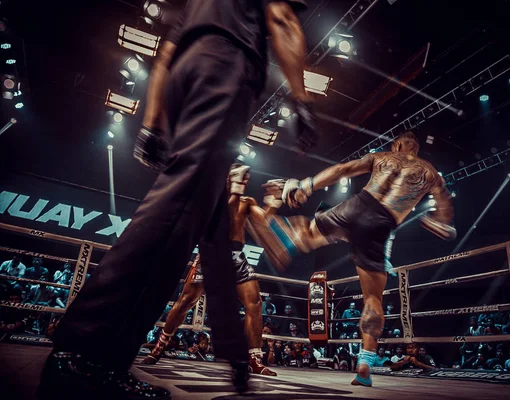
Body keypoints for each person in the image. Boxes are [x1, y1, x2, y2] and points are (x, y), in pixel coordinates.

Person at [39, 1, 314, 398]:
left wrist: (152, 121)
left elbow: (168, 50)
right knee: (177, 205)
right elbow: (282, 18)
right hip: (226, 65)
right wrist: (301, 100)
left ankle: (112, 360)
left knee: (197, 221)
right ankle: (82, 353)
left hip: (188, 70)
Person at [252, 131, 456, 387]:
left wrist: (307, 185)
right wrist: (441, 222)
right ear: (416, 148)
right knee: (373, 298)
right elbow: (445, 207)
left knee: (306, 234)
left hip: (358, 205)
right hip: (382, 225)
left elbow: (343, 169)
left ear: (397, 145)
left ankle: (282, 235)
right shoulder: (430, 172)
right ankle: (365, 364)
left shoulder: (382, 157)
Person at [141, 167, 276, 376]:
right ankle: (161, 345)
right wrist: (235, 190)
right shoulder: (213, 198)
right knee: (186, 301)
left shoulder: (247, 201)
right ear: (228, 177)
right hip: (211, 254)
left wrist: (273, 201)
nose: (244, 180)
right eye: (239, 177)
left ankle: (254, 359)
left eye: (246, 178)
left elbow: (264, 223)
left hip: (236, 256)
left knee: (255, 303)